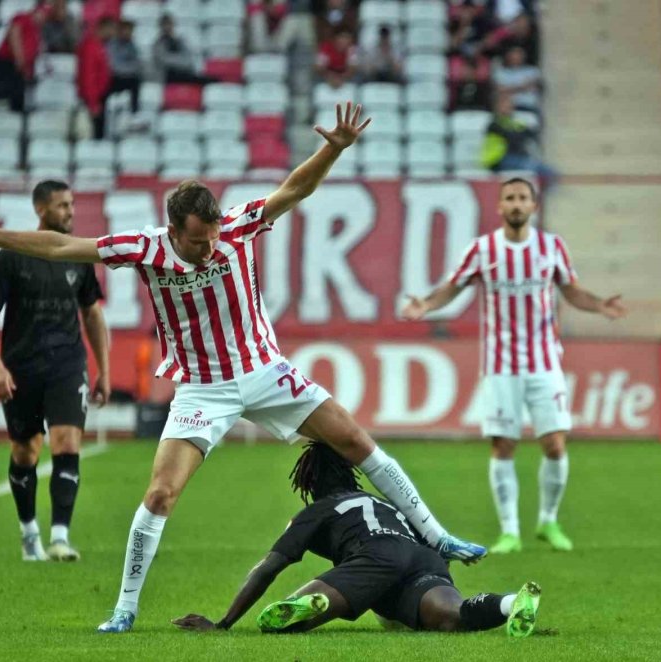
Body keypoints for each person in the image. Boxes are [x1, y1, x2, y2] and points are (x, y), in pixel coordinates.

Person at [0, 102, 488, 633]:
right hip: (203, 389)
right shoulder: (144, 248)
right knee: (159, 495)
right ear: (173, 230)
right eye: (197, 242)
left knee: (356, 440)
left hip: (265, 371)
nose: (208, 249)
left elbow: (295, 188)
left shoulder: (238, 228)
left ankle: (436, 535)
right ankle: (125, 609)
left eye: (212, 237)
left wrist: (334, 152)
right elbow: (61, 248)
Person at [401, 178, 628, 554]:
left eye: (523, 198)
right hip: (501, 364)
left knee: (554, 443)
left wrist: (600, 305)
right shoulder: (482, 249)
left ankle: (549, 521)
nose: (517, 204)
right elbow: (453, 286)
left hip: (544, 361)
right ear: (500, 207)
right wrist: (425, 304)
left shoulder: (551, 247)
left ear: (534, 206)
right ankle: (509, 531)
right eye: (510, 198)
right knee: (503, 444)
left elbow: (571, 290)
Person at [172, 441, 541, 637]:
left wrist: (223, 622)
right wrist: (437, 580)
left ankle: (311, 603)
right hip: (420, 559)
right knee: (452, 616)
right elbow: (429, 544)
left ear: (311, 482)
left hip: (373, 561)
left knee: (279, 623)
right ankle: (510, 603)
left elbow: (269, 566)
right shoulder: (382, 502)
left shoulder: (318, 510)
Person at [0, 180, 111, 563]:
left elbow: (92, 313)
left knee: (67, 441)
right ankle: (29, 531)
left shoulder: (78, 257)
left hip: (67, 364)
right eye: (62, 205)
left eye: (71, 204)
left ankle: (60, 537)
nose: (70, 212)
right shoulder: (13, 256)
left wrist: (104, 368)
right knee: (26, 450)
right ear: (40, 210)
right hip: (21, 367)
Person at [481, 93, 555, 186]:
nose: (508, 107)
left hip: (518, 158)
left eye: (510, 104)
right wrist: (521, 133)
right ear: (497, 107)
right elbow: (511, 137)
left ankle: (542, 197)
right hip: (499, 160)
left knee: (550, 172)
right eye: (504, 105)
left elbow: (531, 133)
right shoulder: (494, 124)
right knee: (530, 168)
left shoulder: (515, 123)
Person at [0, 3, 46, 111]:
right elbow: (14, 34)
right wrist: (19, 59)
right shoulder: (23, 18)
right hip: (8, 62)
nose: (43, 18)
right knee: (12, 91)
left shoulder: (36, 30)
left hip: (21, 67)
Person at [76, 16, 114, 139]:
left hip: (98, 97)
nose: (113, 33)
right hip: (93, 98)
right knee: (94, 136)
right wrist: (93, 103)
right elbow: (88, 76)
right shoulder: (91, 46)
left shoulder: (99, 45)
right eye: (111, 29)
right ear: (104, 28)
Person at [152, 13, 212, 85]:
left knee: (206, 79)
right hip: (168, 75)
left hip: (183, 72)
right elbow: (166, 61)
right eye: (165, 24)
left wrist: (182, 61)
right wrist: (181, 60)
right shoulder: (159, 43)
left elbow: (188, 56)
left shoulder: (179, 40)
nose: (168, 27)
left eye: (169, 24)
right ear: (161, 26)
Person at [106, 19, 142, 112]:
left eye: (131, 31)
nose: (130, 33)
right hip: (113, 78)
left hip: (126, 77)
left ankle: (134, 113)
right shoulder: (112, 45)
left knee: (137, 80)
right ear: (120, 31)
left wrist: (129, 68)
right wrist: (130, 68)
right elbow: (114, 66)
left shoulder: (131, 45)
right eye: (127, 30)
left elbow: (138, 65)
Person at [492, 46, 541, 112]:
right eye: (514, 56)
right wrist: (523, 87)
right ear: (508, 56)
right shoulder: (500, 72)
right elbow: (501, 90)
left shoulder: (532, 71)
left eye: (519, 56)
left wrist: (510, 88)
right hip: (509, 110)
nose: (516, 58)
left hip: (529, 107)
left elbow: (535, 87)